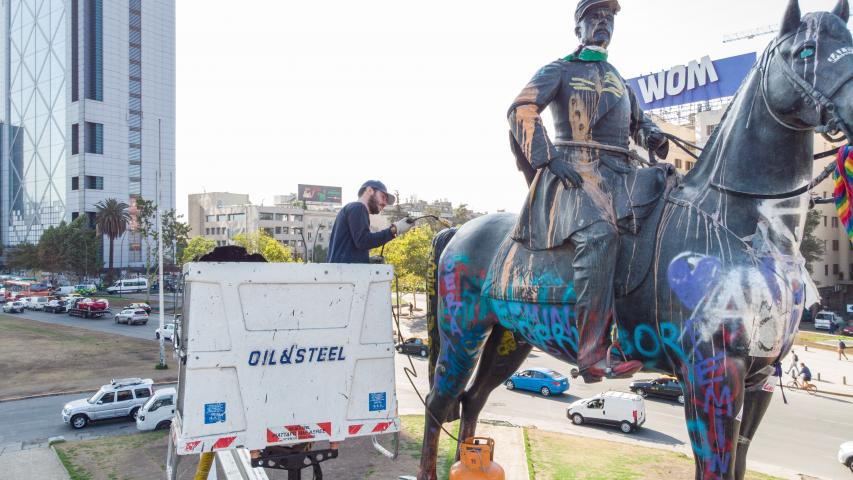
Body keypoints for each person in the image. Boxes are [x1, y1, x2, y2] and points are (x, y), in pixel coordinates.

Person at [506, 0, 669, 382]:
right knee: (601, 236)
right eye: (595, 17)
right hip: (574, 173)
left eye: (609, 18)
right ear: (578, 27)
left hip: (621, 172)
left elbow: (639, 125)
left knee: (667, 210)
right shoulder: (559, 69)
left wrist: (653, 136)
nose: (603, 23)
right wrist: (547, 158)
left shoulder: (619, 79)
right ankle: (593, 353)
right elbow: (521, 109)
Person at [327, 180, 413, 264]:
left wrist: (366, 260)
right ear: (369, 190)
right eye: (383, 197)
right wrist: (395, 230)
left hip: (341, 273)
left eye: (386, 201)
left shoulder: (351, 208)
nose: (385, 203)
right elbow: (363, 241)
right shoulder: (358, 207)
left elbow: (350, 248)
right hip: (346, 275)